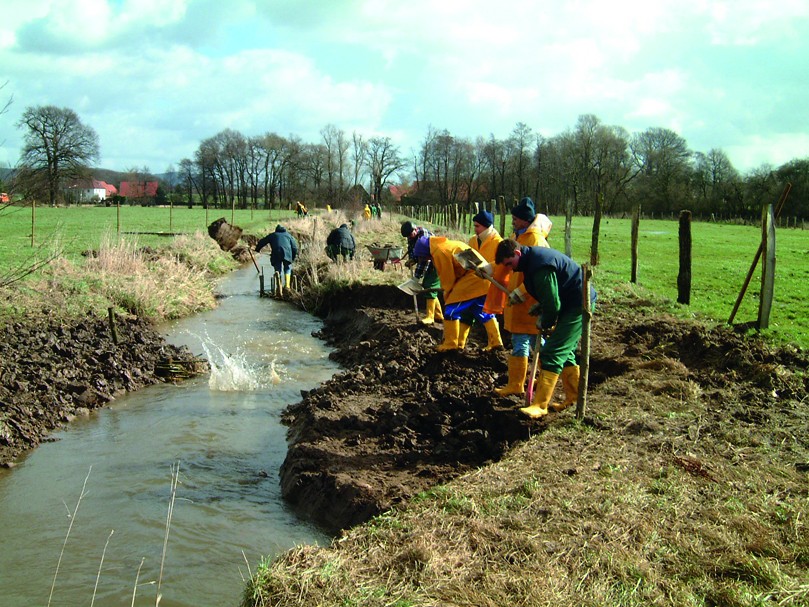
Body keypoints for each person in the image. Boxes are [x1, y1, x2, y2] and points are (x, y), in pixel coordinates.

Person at [495, 239, 596, 418]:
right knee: (566, 352)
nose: (510, 268)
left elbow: (553, 303)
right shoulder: (530, 260)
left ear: (517, 254)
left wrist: (546, 319)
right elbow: (552, 291)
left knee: (552, 351)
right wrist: (541, 306)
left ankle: (540, 405)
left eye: (509, 263)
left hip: (578, 304)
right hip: (569, 301)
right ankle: (573, 398)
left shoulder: (539, 265)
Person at [485, 197, 553, 398]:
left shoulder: (536, 240)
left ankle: (543, 380)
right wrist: (489, 268)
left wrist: (521, 292)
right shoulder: (517, 236)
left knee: (531, 341)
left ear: (525, 220)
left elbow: (543, 273)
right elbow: (505, 261)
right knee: (522, 340)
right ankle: (517, 384)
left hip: (529, 301)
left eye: (516, 218)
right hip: (516, 300)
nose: (513, 221)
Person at [412, 235, 492, 352]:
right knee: (479, 310)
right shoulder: (442, 246)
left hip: (474, 276)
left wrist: (448, 295)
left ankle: (450, 344)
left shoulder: (440, 252)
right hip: (482, 276)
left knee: (451, 309)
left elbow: (448, 279)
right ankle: (495, 342)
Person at [468, 210, 504, 351]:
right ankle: (458, 343)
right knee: (469, 312)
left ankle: (496, 342)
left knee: (485, 312)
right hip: (473, 282)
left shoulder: (498, 242)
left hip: (489, 284)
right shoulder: (472, 240)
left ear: (486, 226)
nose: (475, 229)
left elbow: (501, 264)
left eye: (477, 226)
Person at [401, 221, 443, 324]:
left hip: (437, 261)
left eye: (410, 235)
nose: (409, 237)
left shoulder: (423, 237)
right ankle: (439, 315)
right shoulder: (411, 236)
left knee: (429, 285)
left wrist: (416, 277)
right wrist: (412, 259)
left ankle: (430, 317)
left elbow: (424, 260)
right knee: (428, 286)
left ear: (415, 229)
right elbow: (412, 249)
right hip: (429, 260)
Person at [256, 224, 299, 294]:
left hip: (276, 254)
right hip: (287, 255)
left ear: (276, 230)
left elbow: (262, 241)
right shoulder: (289, 236)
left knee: (277, 269)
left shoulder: (273, 235)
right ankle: (287, 286)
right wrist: (292, 257)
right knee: (287, 268)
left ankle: (279, 287)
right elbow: (294, 247)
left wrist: (257, 249)